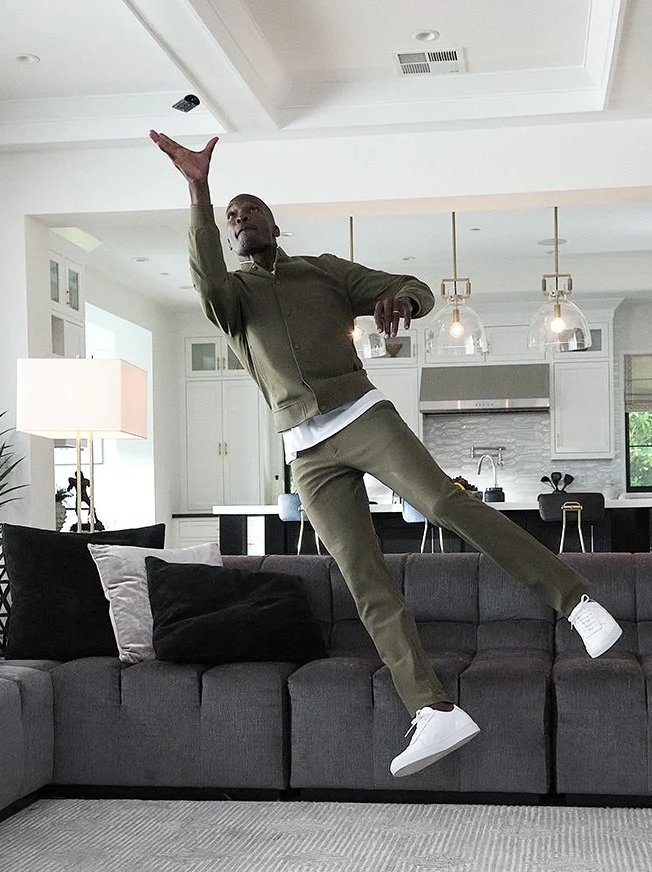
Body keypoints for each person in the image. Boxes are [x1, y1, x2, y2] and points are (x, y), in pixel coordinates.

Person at [149, 130, 623, 777]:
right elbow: (204, 280)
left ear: (273, 223)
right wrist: (198, 192)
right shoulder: (232, 300)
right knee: (362, 577)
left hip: (362, 413)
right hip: (307, 452)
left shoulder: (321, 272)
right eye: (231, 218)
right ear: (227, 235)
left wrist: (402, 300)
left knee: (443, 504)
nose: (241, 220)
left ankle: (577, 602)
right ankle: (433, 710)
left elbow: (413, 288)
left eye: (249, 209)